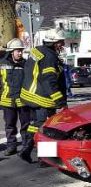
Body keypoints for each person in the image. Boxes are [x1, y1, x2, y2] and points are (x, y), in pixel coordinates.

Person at [19, 28, 68, 162]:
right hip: (42, 98)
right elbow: (49, 81)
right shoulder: (49, 57)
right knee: (47, 127)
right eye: (60, 42)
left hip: (30, 95)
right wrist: (60, 102)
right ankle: (45, 159)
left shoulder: (38, 50)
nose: (62, 44)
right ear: (53, 42)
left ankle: (27, 149)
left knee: (36, 124)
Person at [0, 38, 30, 156]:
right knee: (10, 126)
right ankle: (11, 146)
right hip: (7, 100)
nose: (20, 53)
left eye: (21, 51)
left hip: (22, 100)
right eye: (18, 51)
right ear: (11, 51)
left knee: (26, 125)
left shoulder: (26, 64)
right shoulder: (2, 64)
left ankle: (26, 146)